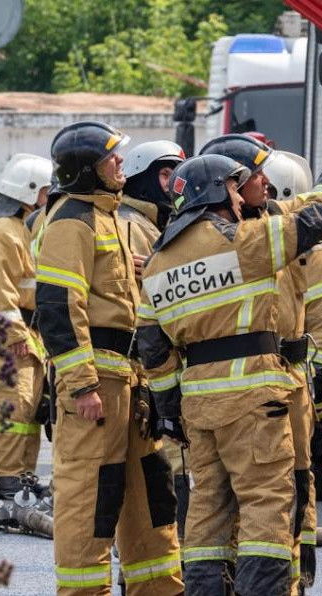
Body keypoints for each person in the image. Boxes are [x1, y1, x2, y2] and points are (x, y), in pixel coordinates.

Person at [137, 122, 322, 596]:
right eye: (235, 191)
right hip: (254, 398)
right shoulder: (245, 243)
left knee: (207, 514)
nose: (243, 200)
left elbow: (153, 347)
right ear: (217, 193)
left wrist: (168, 409)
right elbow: (318, 216)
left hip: (199, 406)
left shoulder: (159, 263)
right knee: (268, 506)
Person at [35, 121, 182, 595]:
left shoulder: (110, 218)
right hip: (96, 385)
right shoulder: (70, 221)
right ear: (85, 170)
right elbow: (58, 308)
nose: (121, 163)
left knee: (152, 494)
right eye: (111, 157)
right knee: (89, 499)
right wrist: (81, 385)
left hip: (130, 384)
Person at [263, 149, 322, 592]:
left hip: (296, 385)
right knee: (283, 485)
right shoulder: (265, 244)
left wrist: (319, 400)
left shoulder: (315, 257)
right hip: (286, 386)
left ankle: (296, 578)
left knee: (295, 483)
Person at [116, 139, 192, 539]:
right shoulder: (132, 225)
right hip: (146, 369)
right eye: (165, 174)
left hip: (163, 366)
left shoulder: (160, 225)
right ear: (143, 179)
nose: (173, 183)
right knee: (161, 476)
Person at [0, 153, 53, 499]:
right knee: (11, 405)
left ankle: (21, 475)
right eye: (46, 190)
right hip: (13, 336)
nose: (49, 197)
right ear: (31, 190)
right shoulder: (1, 231)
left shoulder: (23, 229)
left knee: (29, 409)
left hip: (29, 333)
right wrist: (17, 333)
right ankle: (6, 478)